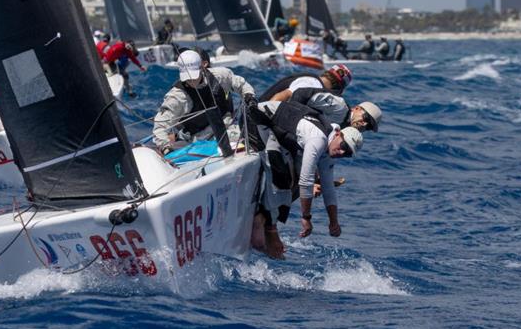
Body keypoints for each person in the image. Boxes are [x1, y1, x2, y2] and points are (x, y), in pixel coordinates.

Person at [250, 100, 363, 247]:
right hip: (255, 120)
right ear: (337, 134)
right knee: (287, 178)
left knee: (294, 181)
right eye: (343, 145)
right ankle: (265, 226)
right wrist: (306, 218)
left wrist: (333, 222)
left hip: (275, 135)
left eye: (347, 153)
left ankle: (266, 224)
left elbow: (328, 187)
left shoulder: (328, 149)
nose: (341, 152)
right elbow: (305, 180)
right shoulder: (318, 139)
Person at [152, 49, 256, 155]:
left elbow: (240, 84)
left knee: (254, 134)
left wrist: (249, 96)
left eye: (194, 75)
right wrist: (165, 147)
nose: (191, 81)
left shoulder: (220, 75)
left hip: (227, 128)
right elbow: (160, 124)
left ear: (202, 67)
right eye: (187, 78)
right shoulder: (177, 96)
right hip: (198, 140)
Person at [259, 63, 353, 102]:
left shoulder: (314, 82)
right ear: (338, 89)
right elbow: (283, 95)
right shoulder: (312, 84)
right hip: (255, 124)